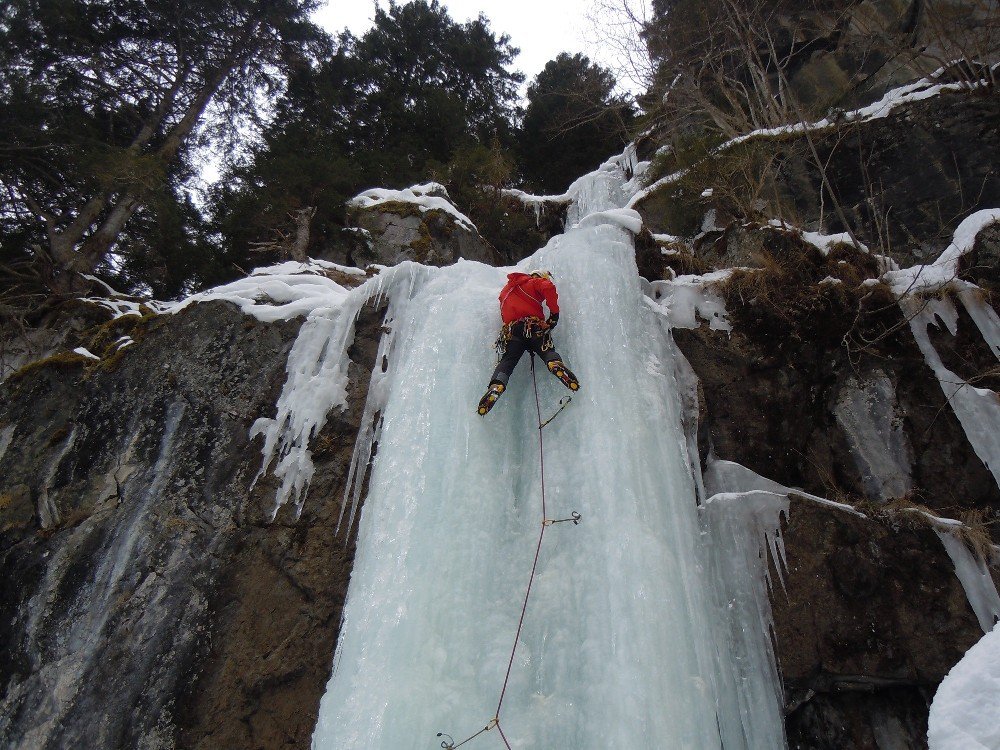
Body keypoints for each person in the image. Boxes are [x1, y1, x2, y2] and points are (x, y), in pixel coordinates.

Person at [477, 270, 580, 416]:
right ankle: (555, 364)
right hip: (533, 327)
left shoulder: (506, 291)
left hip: (513, 332)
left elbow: (504, 313)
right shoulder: (532, 282)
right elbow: (548, 287)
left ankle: (496, 385)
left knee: (508, 360)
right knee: (547, 351)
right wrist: (554, 315)